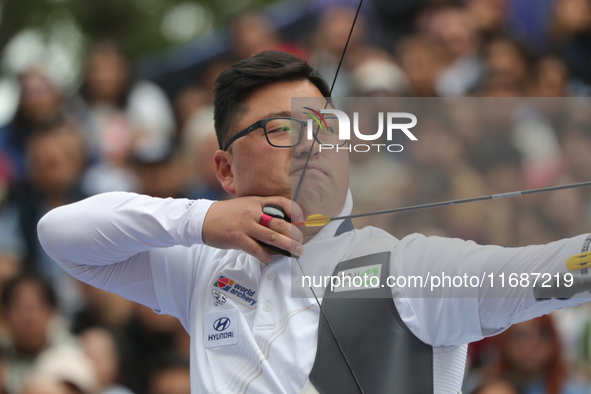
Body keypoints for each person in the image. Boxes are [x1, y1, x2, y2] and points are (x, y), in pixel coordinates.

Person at [38, 50, 591, 393]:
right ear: (226, 170)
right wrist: (205, 219)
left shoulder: (408, 268)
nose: (310, 143)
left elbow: (554, 270)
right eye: (281, 128)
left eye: (325, 126)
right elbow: (61, 234)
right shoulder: (203, 267)